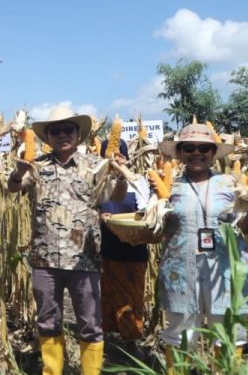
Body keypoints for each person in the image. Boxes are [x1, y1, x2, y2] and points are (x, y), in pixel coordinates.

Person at [7, 106, 113, 375]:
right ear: (48, 137)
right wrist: (18, 172)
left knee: (90, 322)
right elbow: (13, 188)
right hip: (45, 257)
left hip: (84, 258)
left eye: (68, 129)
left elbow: (114, 195)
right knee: (47, 321)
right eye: (56, 131)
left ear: (78, 134)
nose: (63, 135)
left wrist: (121, 174)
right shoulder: (37, 166)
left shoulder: (94, 165)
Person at [156, 123, 248, 371]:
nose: (197, 153)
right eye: (189, 148)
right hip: (181, 269)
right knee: (180, 334)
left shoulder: (231, 184)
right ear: (179, 153)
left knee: (228, 333)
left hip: (225, 269)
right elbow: (155, 230)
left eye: (204, 148)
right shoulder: (169, 186)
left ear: (214, 153)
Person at [96, 139, 151, 359]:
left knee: (132, 298)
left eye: (120, 154)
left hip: (133, 249)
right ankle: (108, 341)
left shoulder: (138, 181)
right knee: (106, 296)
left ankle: (131, 343)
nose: (115, 158)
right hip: (105, 249)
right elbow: (87, 210)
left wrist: (137, 218)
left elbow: (146, 211)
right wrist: (100, 217)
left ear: (127, 158)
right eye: (110, 154)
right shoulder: (97, 182)